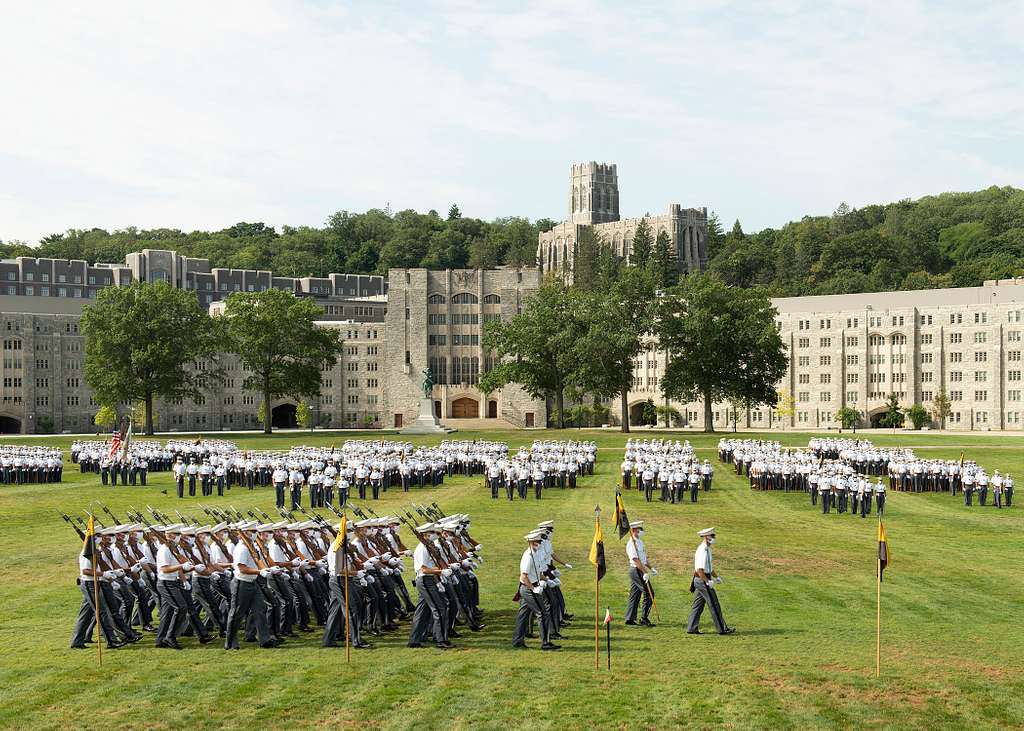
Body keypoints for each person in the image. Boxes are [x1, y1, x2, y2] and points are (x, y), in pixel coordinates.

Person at [511, 531, 559, 650]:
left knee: (523, 614)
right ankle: (545, 642)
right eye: (537, 542)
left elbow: (537, 572)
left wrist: (547, 579)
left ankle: (517, 641)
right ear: (531, 543)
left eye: (540, 541)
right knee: (542, 613)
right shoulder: (528, 556)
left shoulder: (535, 554)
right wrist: (534, 588)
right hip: (529, 588)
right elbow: (524, 576)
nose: (540, 543)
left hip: (531, 586)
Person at [687, 527, 734, 635]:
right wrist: (707, 581)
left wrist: (716, 577)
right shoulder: (703, 550)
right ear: (705, 537)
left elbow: (709, 568)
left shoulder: (708, 549)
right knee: (714, 603)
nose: (714, 538)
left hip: (702, 578)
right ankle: (722, 629)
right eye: (712, 536)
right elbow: (700, 570)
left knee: (697, 605)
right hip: (702, 579)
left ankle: (691, 628)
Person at [624, 520, 656, 627]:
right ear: (633, 530)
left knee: (635, 594)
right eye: (639, 529)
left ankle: (629, 618)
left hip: (640, 569)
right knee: (649, 592)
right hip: (636, 570)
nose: (641, 531)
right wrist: (645, 572)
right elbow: (635, 560)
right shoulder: (631, 543)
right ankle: (644, 618)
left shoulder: (640, 542)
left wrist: (651, 568)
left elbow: (644, 559)